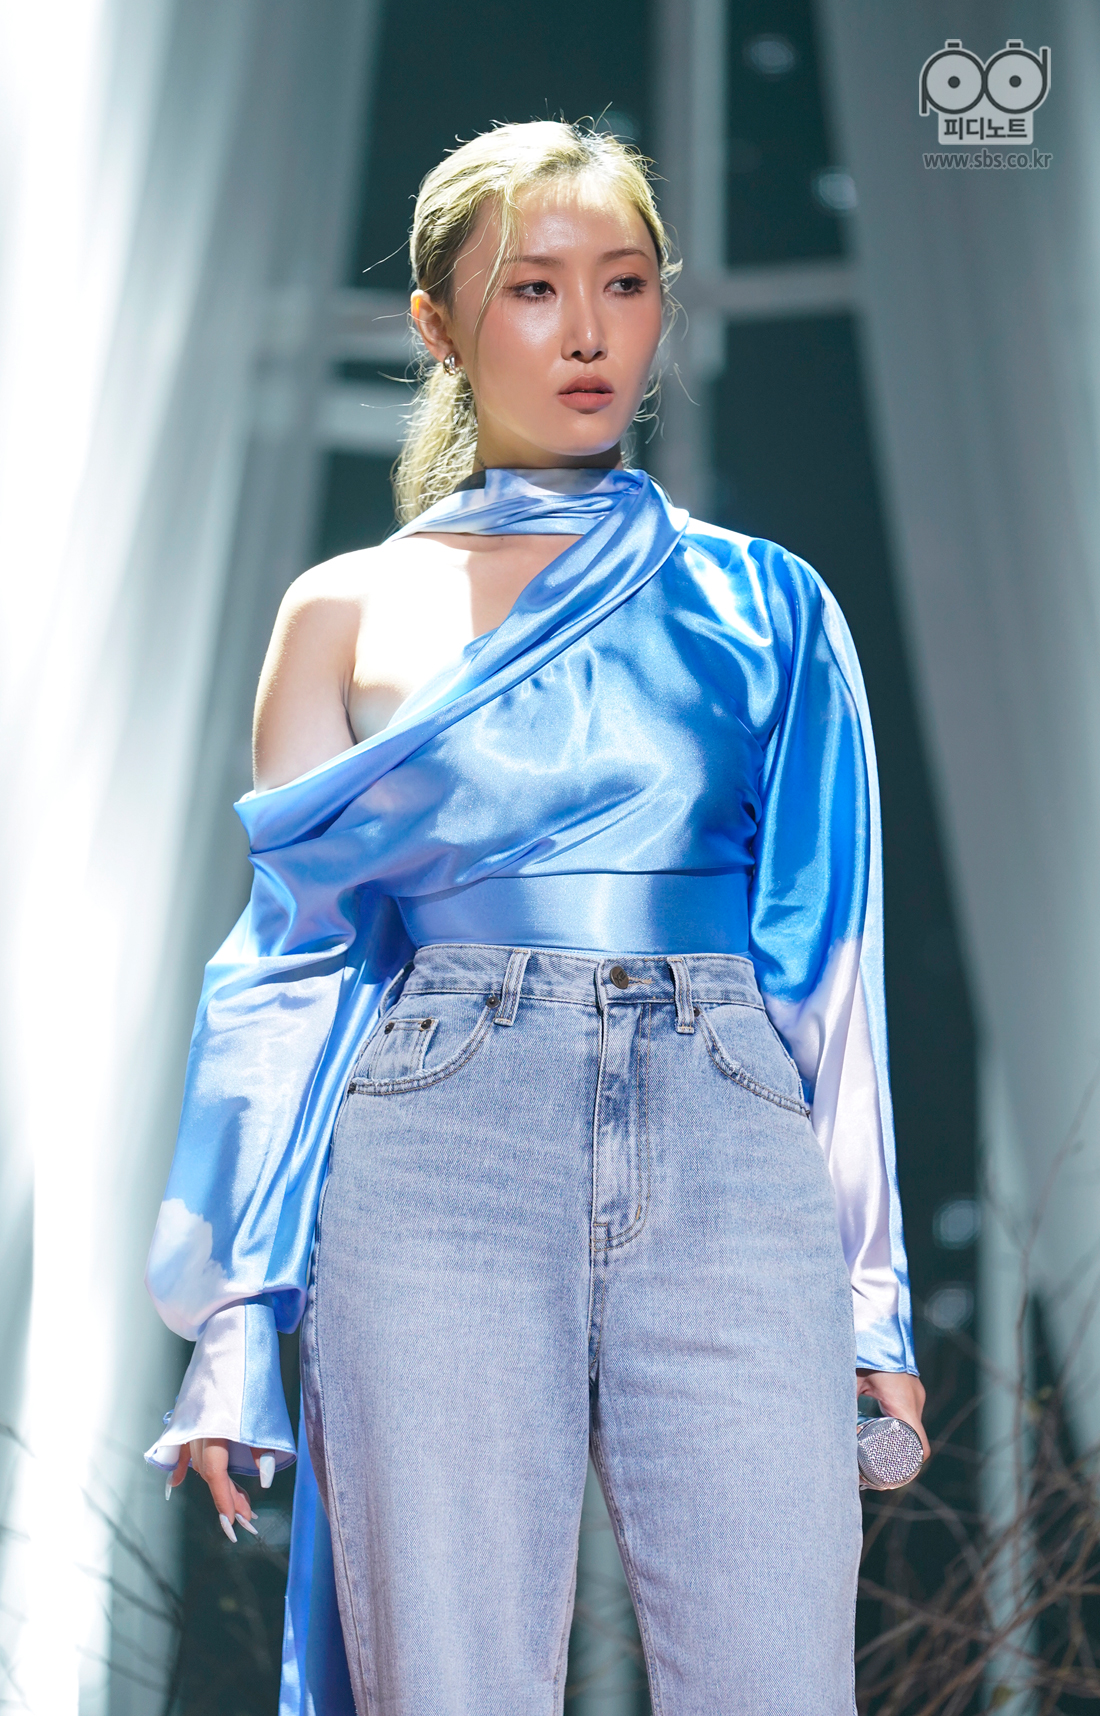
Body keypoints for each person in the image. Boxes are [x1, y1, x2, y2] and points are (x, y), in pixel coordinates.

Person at [144, 119, 927, 1715]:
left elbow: (829, 964)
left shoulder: (768, 604)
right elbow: (288, 975)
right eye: (532, 287)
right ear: (438, 323)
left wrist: (873, 1295)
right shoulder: (344, 610)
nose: (587, 332)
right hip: (440, 1140)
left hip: (729, 1142)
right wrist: (232, 1321)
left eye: (625, 284)